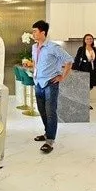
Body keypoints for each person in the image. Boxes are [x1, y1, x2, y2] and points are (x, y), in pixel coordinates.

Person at [31, 20, 73, 154]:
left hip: (50, 83)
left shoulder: (53, 47)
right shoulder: (34, 47)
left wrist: (62, 77)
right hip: (38, 83)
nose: (33, 34)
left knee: (50, 112)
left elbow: (69, 60)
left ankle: (50, 140)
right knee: (42, 111)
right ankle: (47, 133)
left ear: (43, 32)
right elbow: (35, 62)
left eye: (35, 31)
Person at [72, 33, 96, 109]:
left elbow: (95, 60)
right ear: (84, 40)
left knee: (90, 87)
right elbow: (77, 59)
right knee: (84, 87)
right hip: (84, 70)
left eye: (90, 39)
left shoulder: (94, 48)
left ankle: (83, 103)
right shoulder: (81, 49)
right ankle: (84, 104)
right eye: (87, 39)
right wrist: (75, 69)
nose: (89, 40)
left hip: (92, 70)